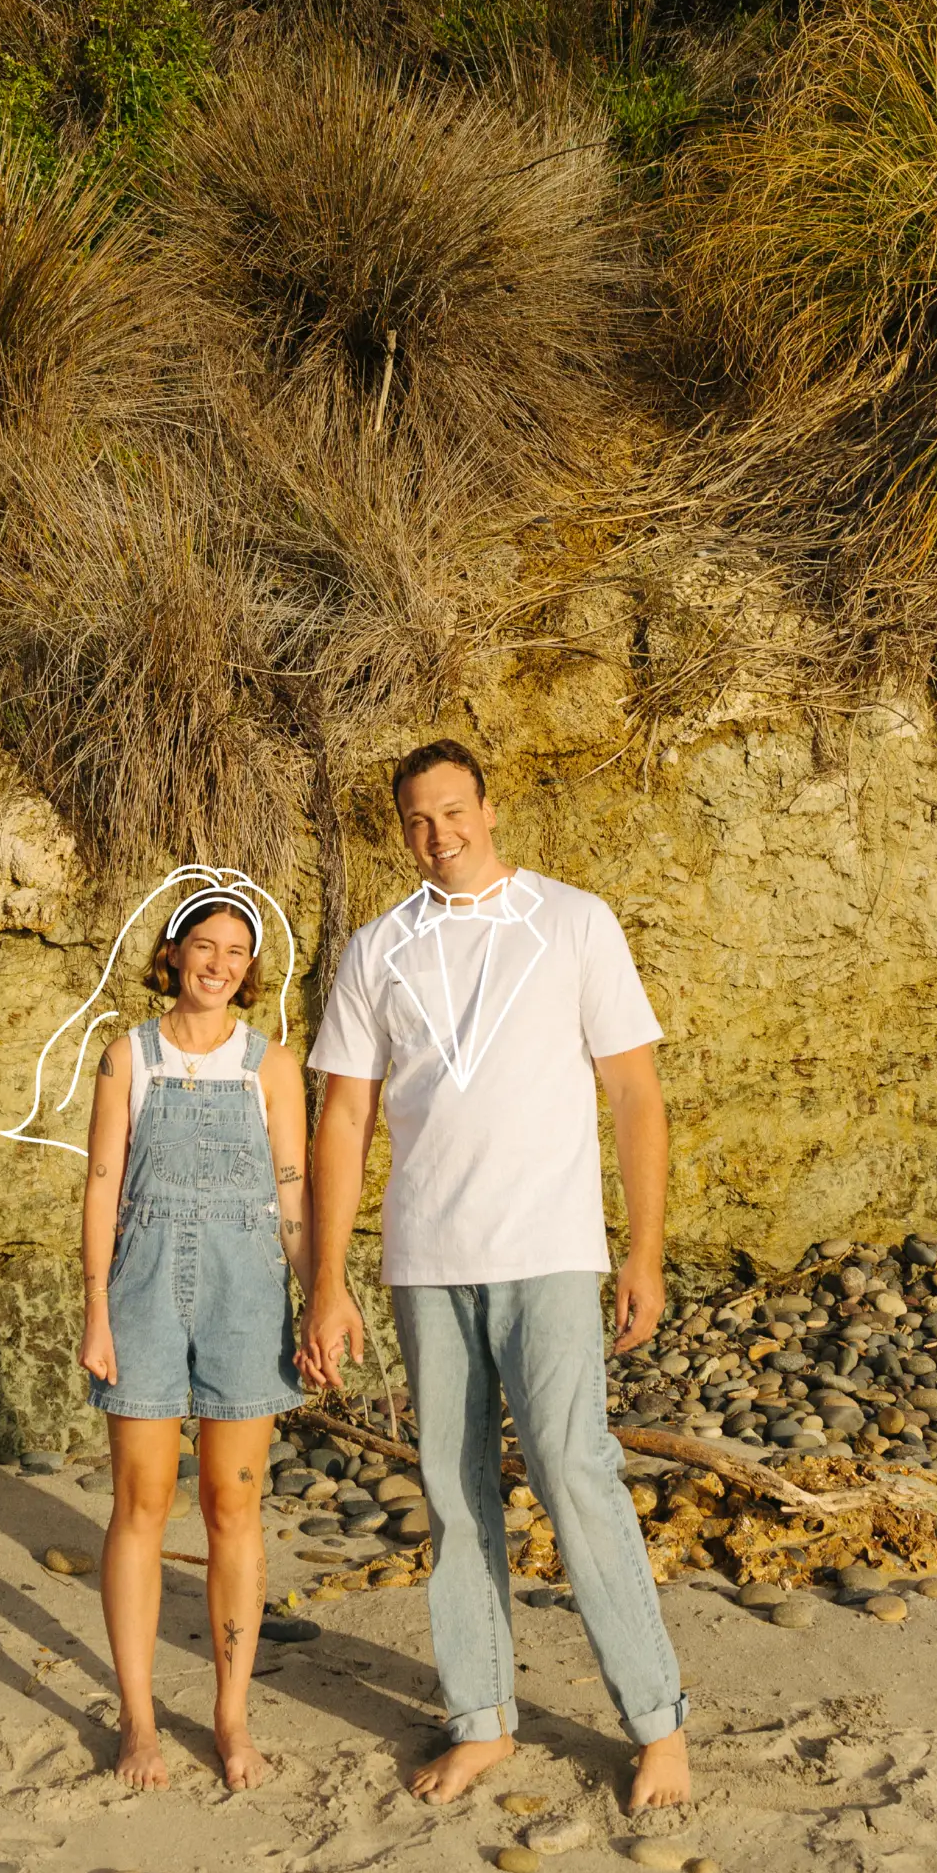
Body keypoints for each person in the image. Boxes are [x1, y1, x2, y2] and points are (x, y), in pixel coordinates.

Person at [301, 741, 691, 1810]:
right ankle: (482, 1719)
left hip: (552, 1250)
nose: (441, 834)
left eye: (455, 811)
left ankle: (655, 1723)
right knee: (454, 1495)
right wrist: (326, 1279)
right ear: (403, 828)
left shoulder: (574, 920)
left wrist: (642, 1247)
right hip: (427, 1261)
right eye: (419, 820)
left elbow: (636, 1095)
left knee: (575, 1473)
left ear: (488, 805)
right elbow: (343, 1114)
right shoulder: (377, 947)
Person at [79, 887, 308, 1790]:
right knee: (140, 1501)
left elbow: (293, 1194)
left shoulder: (272, 1065)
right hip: (140, 1284)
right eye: (203, 946)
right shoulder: (123, 1056)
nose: (219, 963)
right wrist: (96, 1309)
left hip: (247, 1291)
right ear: (172, 954)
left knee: (231, 1507)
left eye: (238, 952)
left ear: (251, 971)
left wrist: (321, 1295)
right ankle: (138, 1720)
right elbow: (101, 1186)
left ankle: (229, 1715)